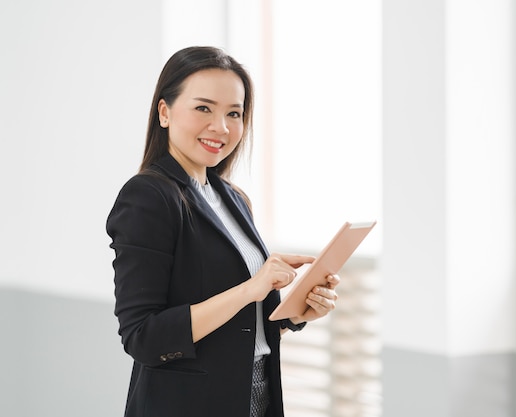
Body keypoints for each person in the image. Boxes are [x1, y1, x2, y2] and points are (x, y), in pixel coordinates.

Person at [106, 46, 340, 417]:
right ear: (164, 112)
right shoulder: (148, 197)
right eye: (203, 108)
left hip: (254, 393)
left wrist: (295, 315)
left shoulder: (232, 197)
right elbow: (144, 337)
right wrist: (251, 289)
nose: (222, 127)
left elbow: (235, 332)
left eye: (234, 112)